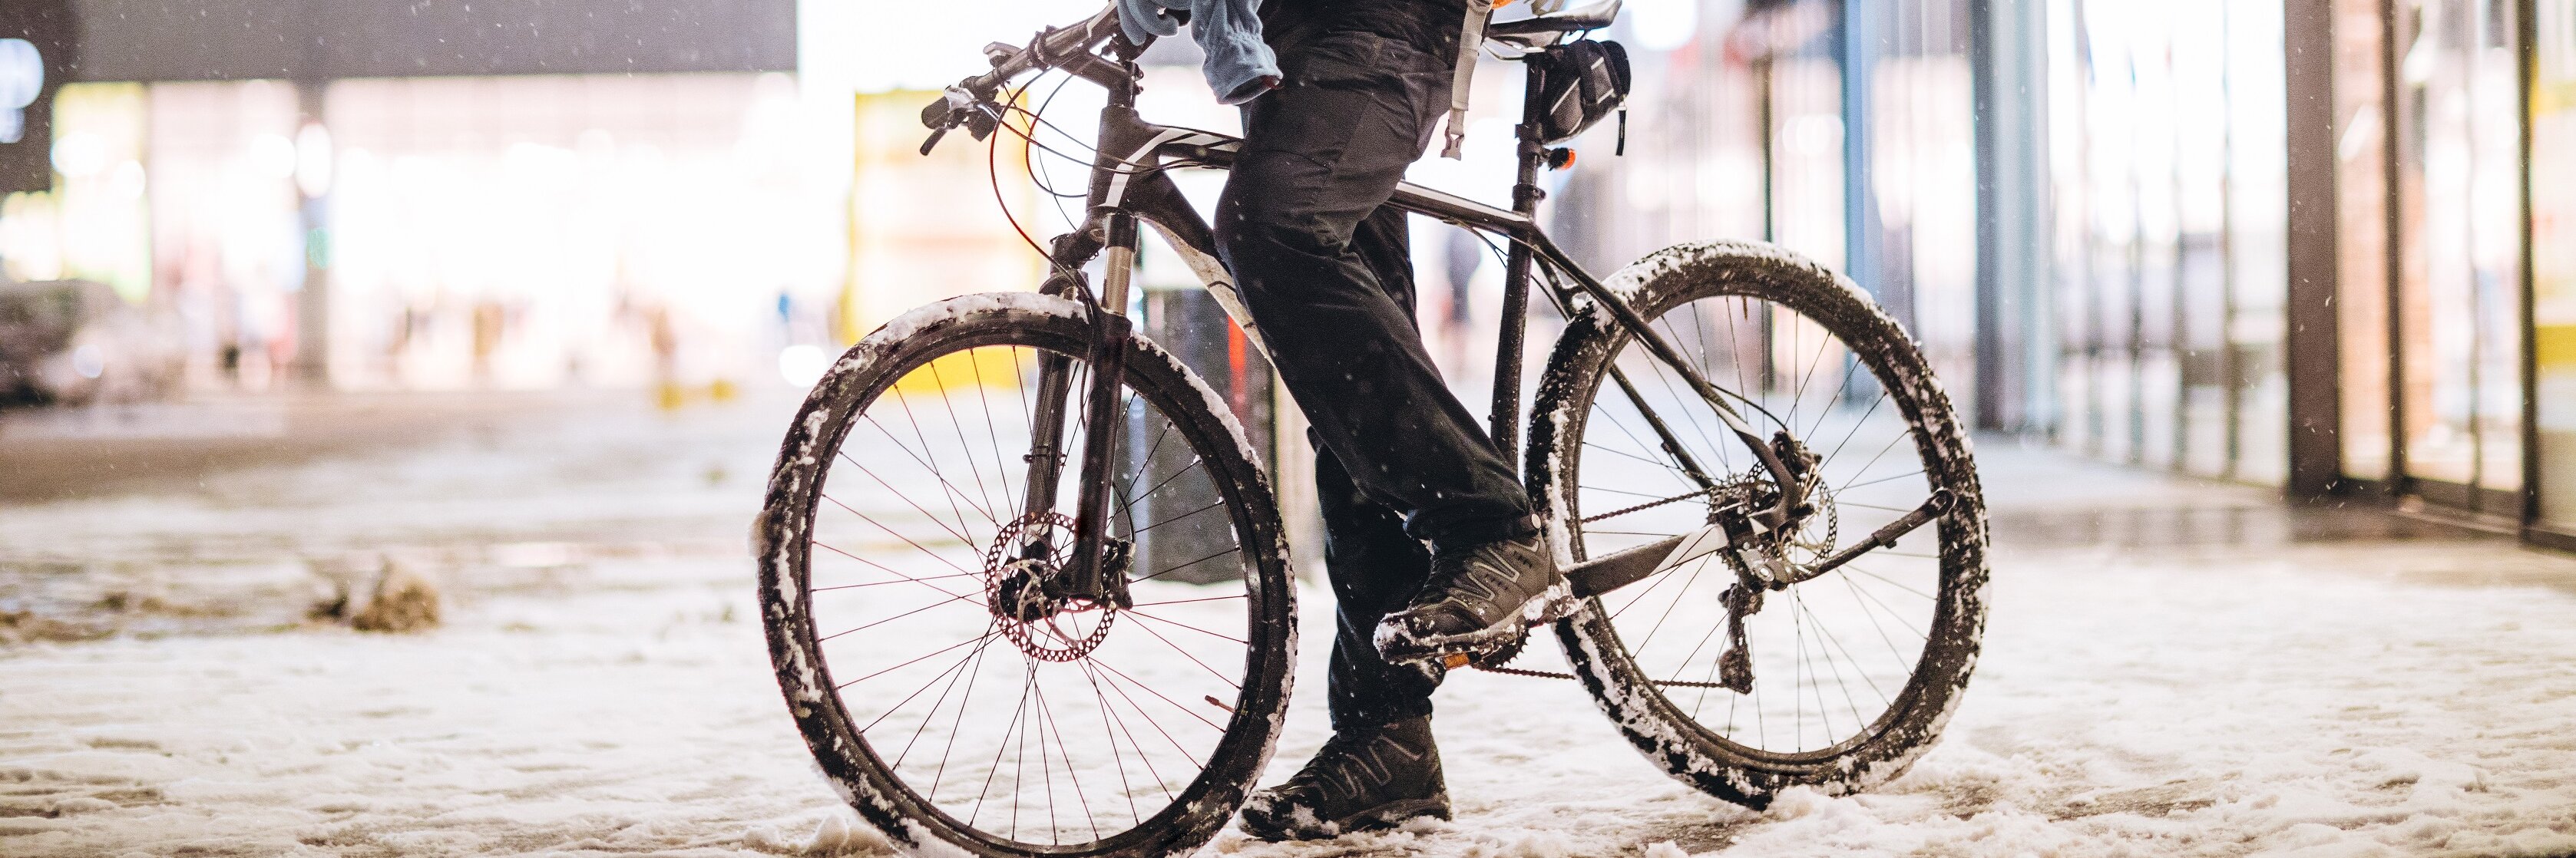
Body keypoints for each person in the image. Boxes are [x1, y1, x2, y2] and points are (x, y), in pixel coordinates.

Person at [1126, 0, 1573, 841]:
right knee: (1344, 377)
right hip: (1304, 38)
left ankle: (1493, 525)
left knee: (1274, 224)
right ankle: (1387, 736)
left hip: (1381, 27)